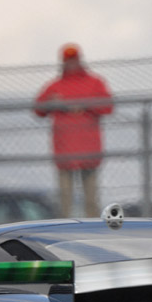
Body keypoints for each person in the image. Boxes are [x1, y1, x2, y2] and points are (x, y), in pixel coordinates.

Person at [33, 43, 113, 218]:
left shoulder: (94, 83)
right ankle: (64, 230)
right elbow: (38, 109)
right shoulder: (55, 86)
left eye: (74, 60)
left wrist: (87, 104)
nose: (71, 64)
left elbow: (108, 107)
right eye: (67, 60)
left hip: (89, 152)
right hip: (64, 152)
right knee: (64, 199)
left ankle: (92, 231)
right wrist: (53, 103)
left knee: (91, 199)